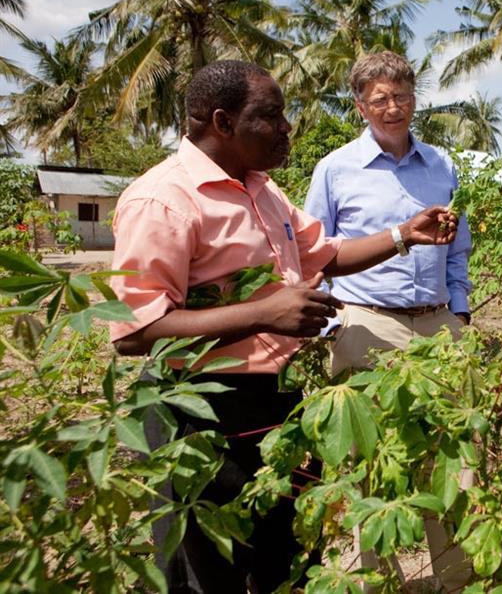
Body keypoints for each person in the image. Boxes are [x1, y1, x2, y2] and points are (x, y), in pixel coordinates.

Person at [109, 59, 457, 593]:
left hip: (279, 399)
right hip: (200, 408)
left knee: (283, 554)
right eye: (272, 116)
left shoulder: (262, 190)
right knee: (208, 565)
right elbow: (134, 332)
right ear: (223, 123)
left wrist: (403, 234)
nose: (287, 127)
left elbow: (327, 253)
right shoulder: (163, 200)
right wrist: (262, 314)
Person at [303, 50, 473, 591]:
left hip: (438, 324)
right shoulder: (334, 168)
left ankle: (451, 577)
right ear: (360, 105)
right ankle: (367, 580)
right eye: (380, 99)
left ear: (415, 99)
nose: (392, 108)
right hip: (366, 325)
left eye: (401, 96)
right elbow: (314, 254)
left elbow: (459, 248)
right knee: (363, 458)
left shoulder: (442, 165)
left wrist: (460, 311)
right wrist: (334, 325)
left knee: (452, 455)